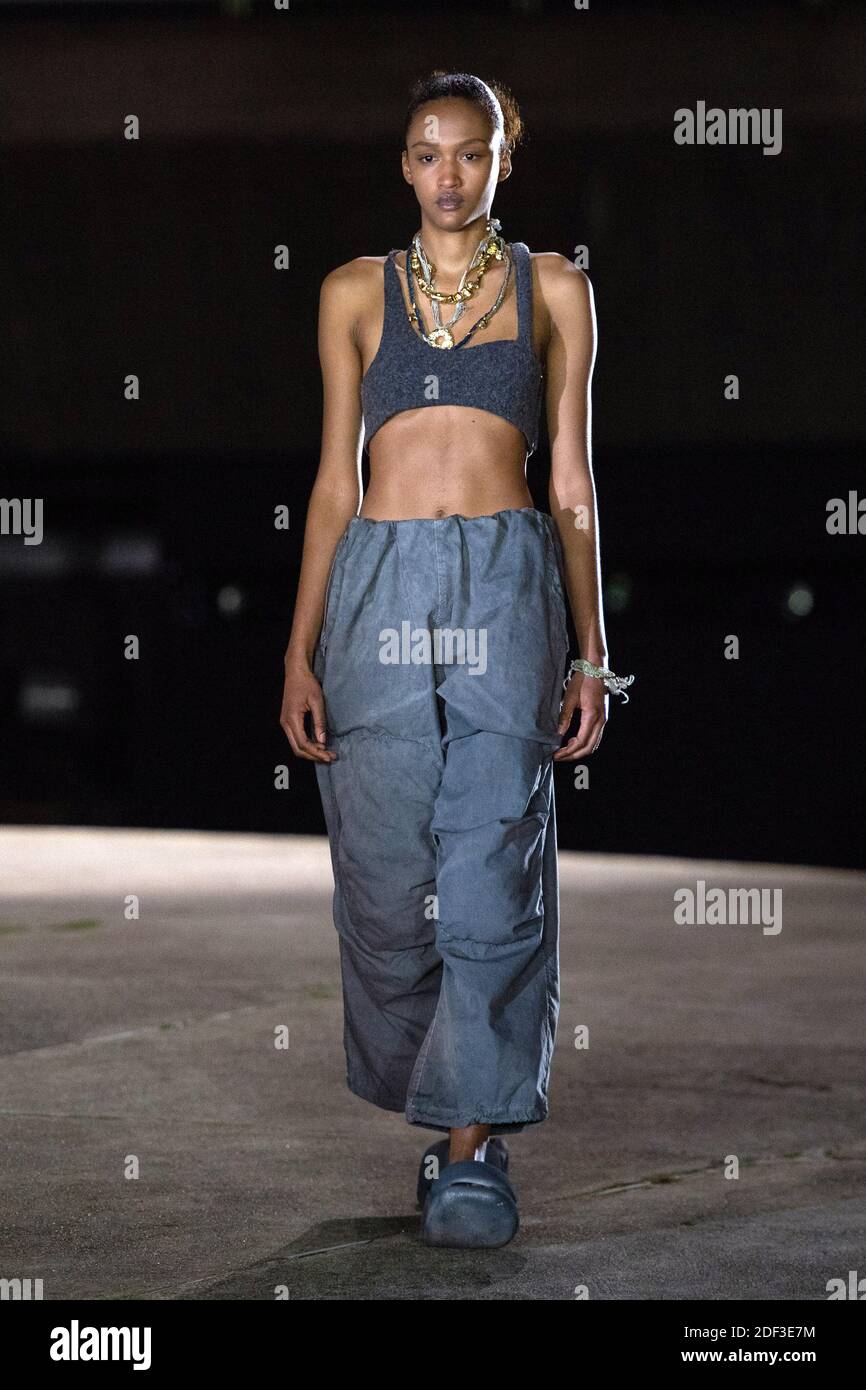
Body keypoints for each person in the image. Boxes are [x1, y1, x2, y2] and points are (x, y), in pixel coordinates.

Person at [280, 70, 633, 1249]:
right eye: (427, 153)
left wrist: (591, 647)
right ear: (403, 164)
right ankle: (439, 1109)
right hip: (377, 589)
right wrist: (298, 649)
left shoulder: (553, 288)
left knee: (490, 873)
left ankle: (474, 1149)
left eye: (469, 154)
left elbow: (569, 482)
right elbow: (335, 480)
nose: (448, 176)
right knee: (388, 888)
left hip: (506, 584)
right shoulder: (350, 294)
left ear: (500, 163)